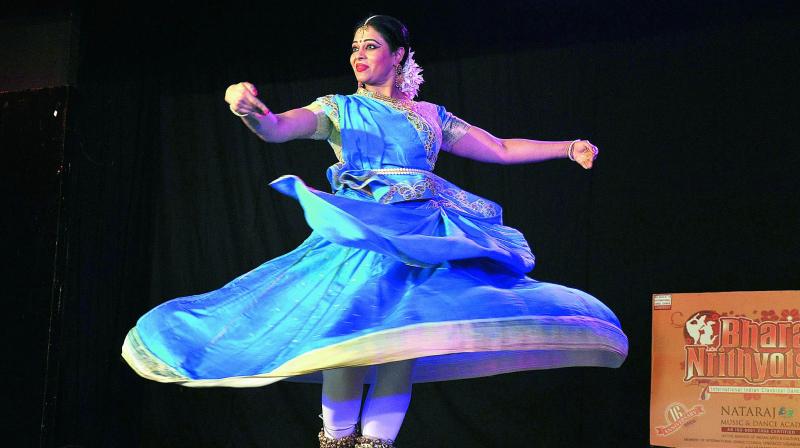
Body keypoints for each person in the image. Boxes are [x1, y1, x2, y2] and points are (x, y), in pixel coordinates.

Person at [122, 14, 628, 448]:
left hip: (421, 234)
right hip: (362, 234)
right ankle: (334, 440)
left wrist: (567, 146)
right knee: (347, 333)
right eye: (354, 48)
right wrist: (250, 111)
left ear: (399, 55)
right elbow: (280, 127)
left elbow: (497, 147)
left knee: (398, 345)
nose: (358, 55)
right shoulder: (339, 108)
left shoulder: (430, 117)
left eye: (371, 46)